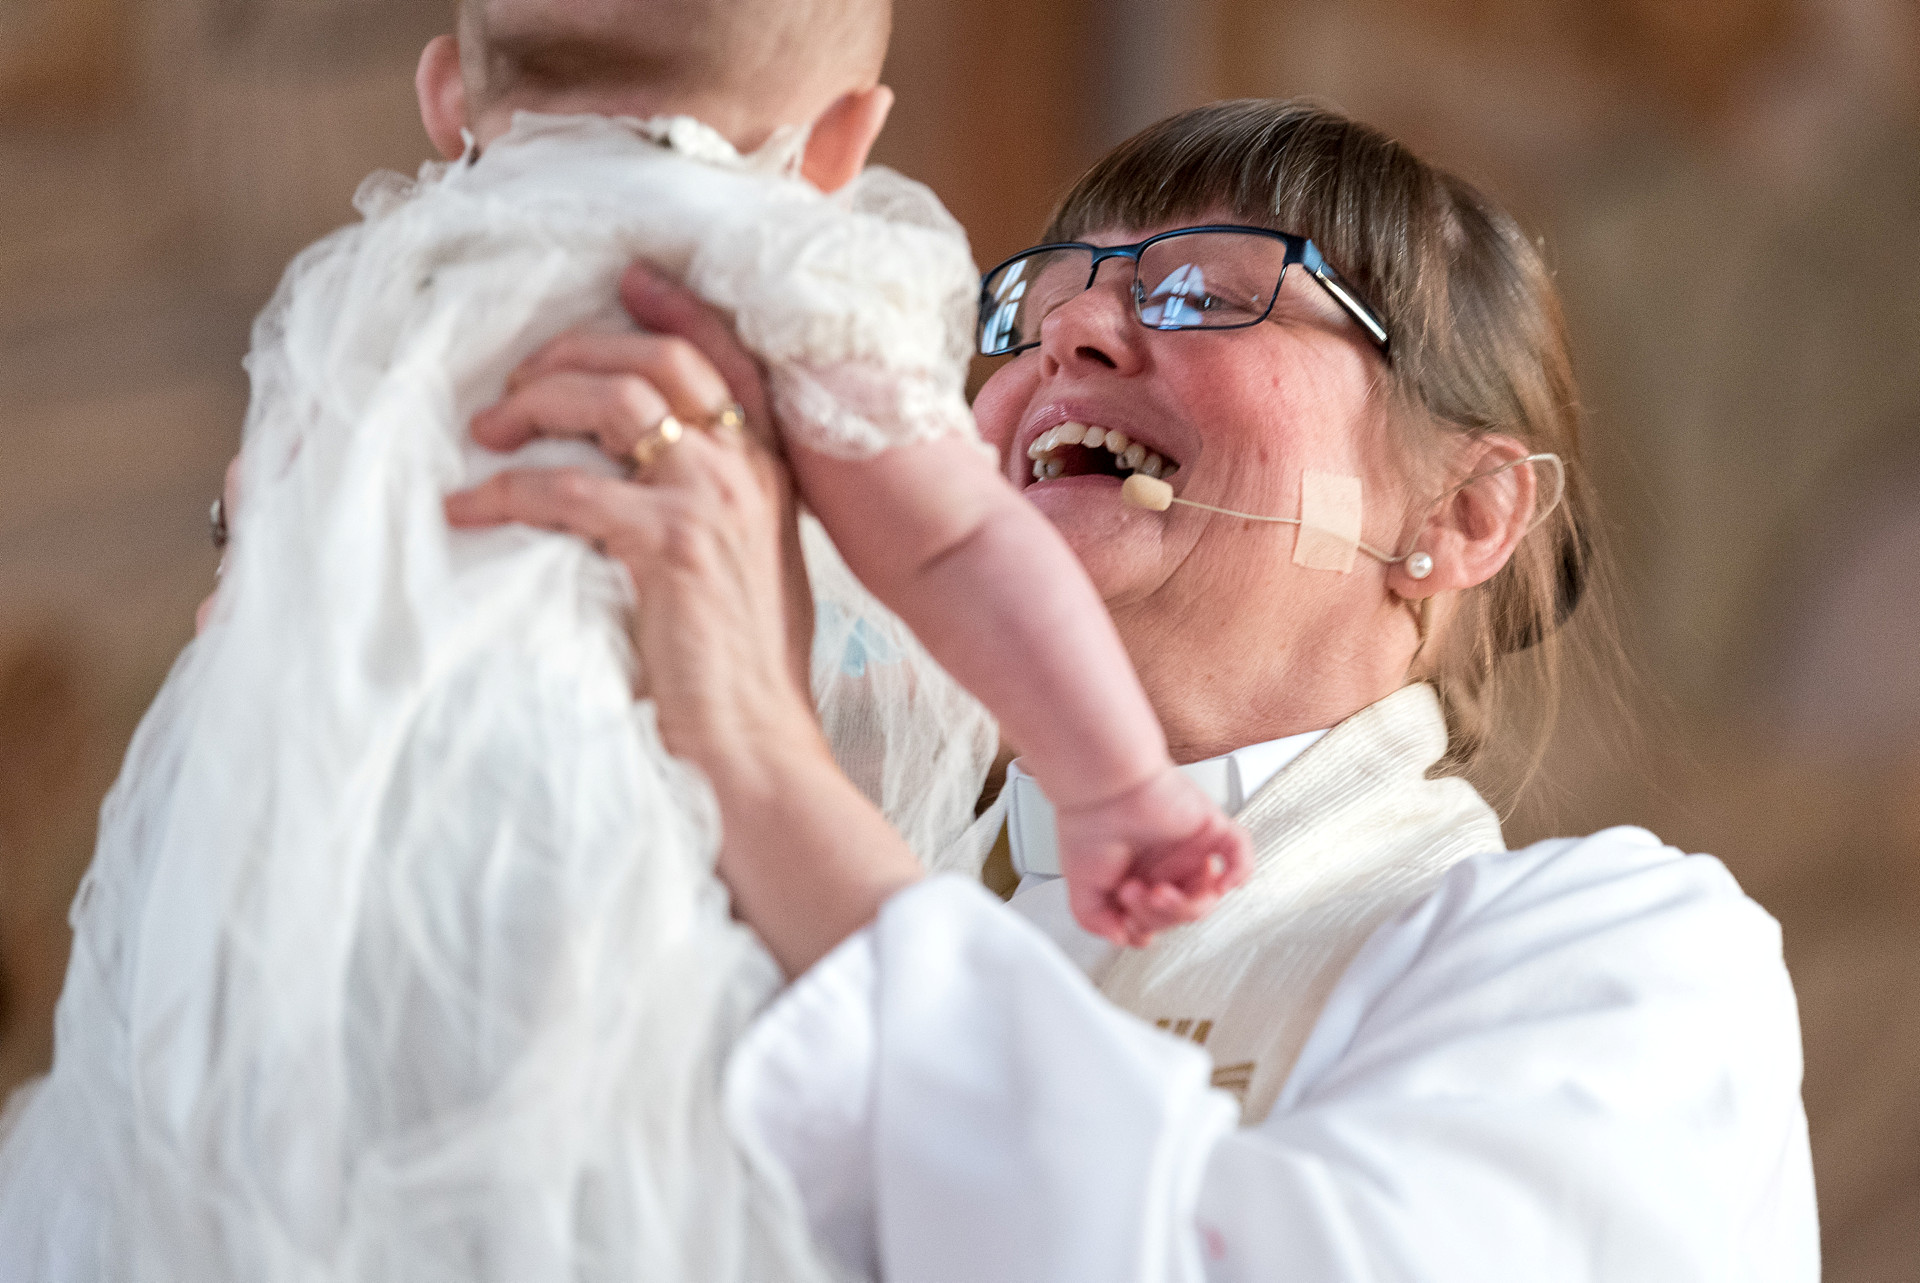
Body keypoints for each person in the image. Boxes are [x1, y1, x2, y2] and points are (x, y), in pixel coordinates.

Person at [444, 99, 1823, 1279]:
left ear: (1462, 515)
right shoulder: (737, 878)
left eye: (1202, 290)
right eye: (1037, 306)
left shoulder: (1629, 967)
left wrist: (753, 748)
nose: (1076, 331)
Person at [0, 1, 1247, 1279]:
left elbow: (270, 551)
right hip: (584, 821)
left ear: (446, 99)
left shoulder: (389, 270)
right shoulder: (766, 263)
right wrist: (1118, 786)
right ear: (839, 141)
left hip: (290, 846)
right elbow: (955, 549)